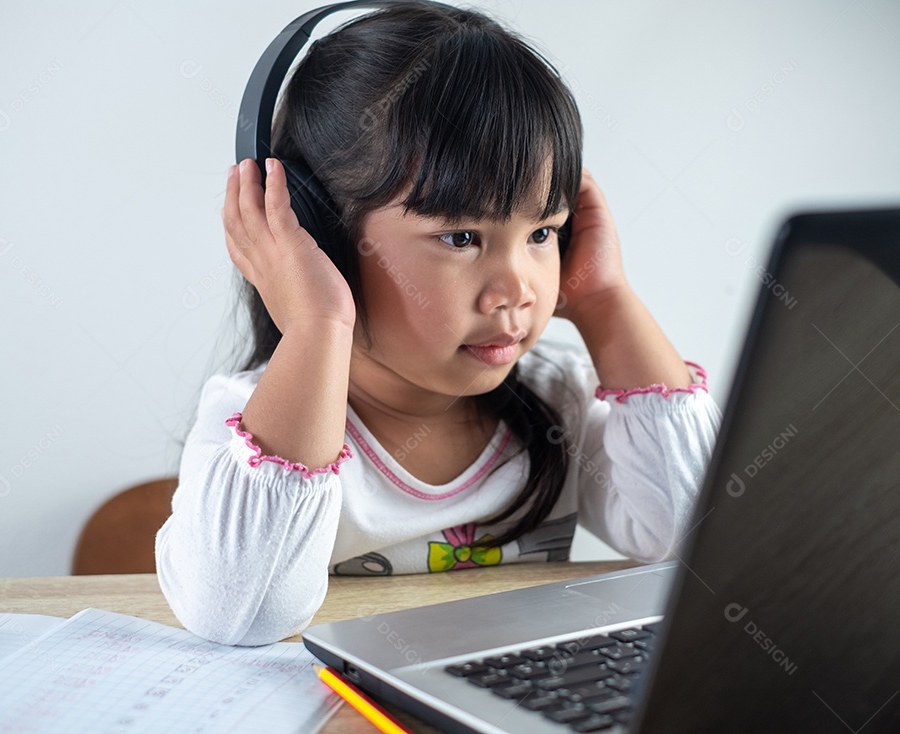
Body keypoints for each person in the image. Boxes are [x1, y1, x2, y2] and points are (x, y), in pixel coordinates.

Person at [156, 0, 721, 646]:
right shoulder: (250, 428)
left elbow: (700, 540)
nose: (518, 289)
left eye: (542, 231)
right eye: (460, 237)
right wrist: (317, 324)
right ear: (322, 241)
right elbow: (241, 616)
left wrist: (604, 299)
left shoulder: (556, 401)